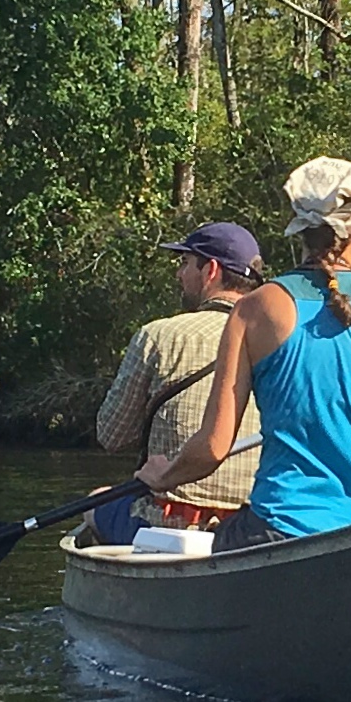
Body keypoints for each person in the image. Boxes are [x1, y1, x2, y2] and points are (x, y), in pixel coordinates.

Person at [123, 156, 351, 550]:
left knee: (142, 526)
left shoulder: (253, 310)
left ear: (298, 226)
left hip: (279, 528)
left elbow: (212, 448)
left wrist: (164, 475)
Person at [86, 221, 266, 547]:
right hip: (251, 524)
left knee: (96, 501)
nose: (179, 275)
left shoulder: (158, 335)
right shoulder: (276, 341)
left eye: (185, 263)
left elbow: (111, 436)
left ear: (210, 270)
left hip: (172, 521)